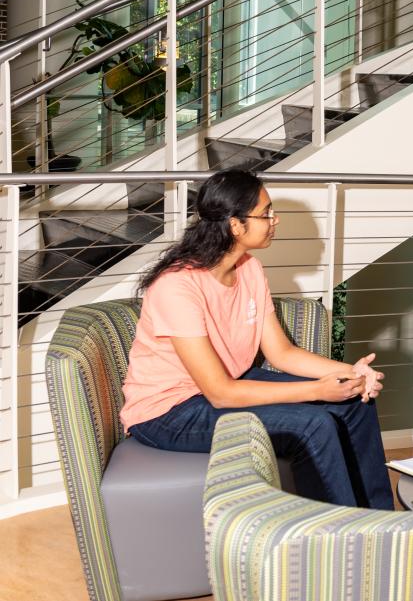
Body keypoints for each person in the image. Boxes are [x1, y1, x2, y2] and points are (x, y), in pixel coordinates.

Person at [120, 169, 393, 510]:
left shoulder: (249, 268)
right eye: (265, 214)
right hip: (169, 412)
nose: (273, 220)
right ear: (235, 225)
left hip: (228, 384)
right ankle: (335, 544)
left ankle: (380, 524)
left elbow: (281, 353)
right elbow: (219, 393)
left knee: (353, 402)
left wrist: (351, 371)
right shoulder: (176, 288)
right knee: (313, 425)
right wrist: (316, 390)